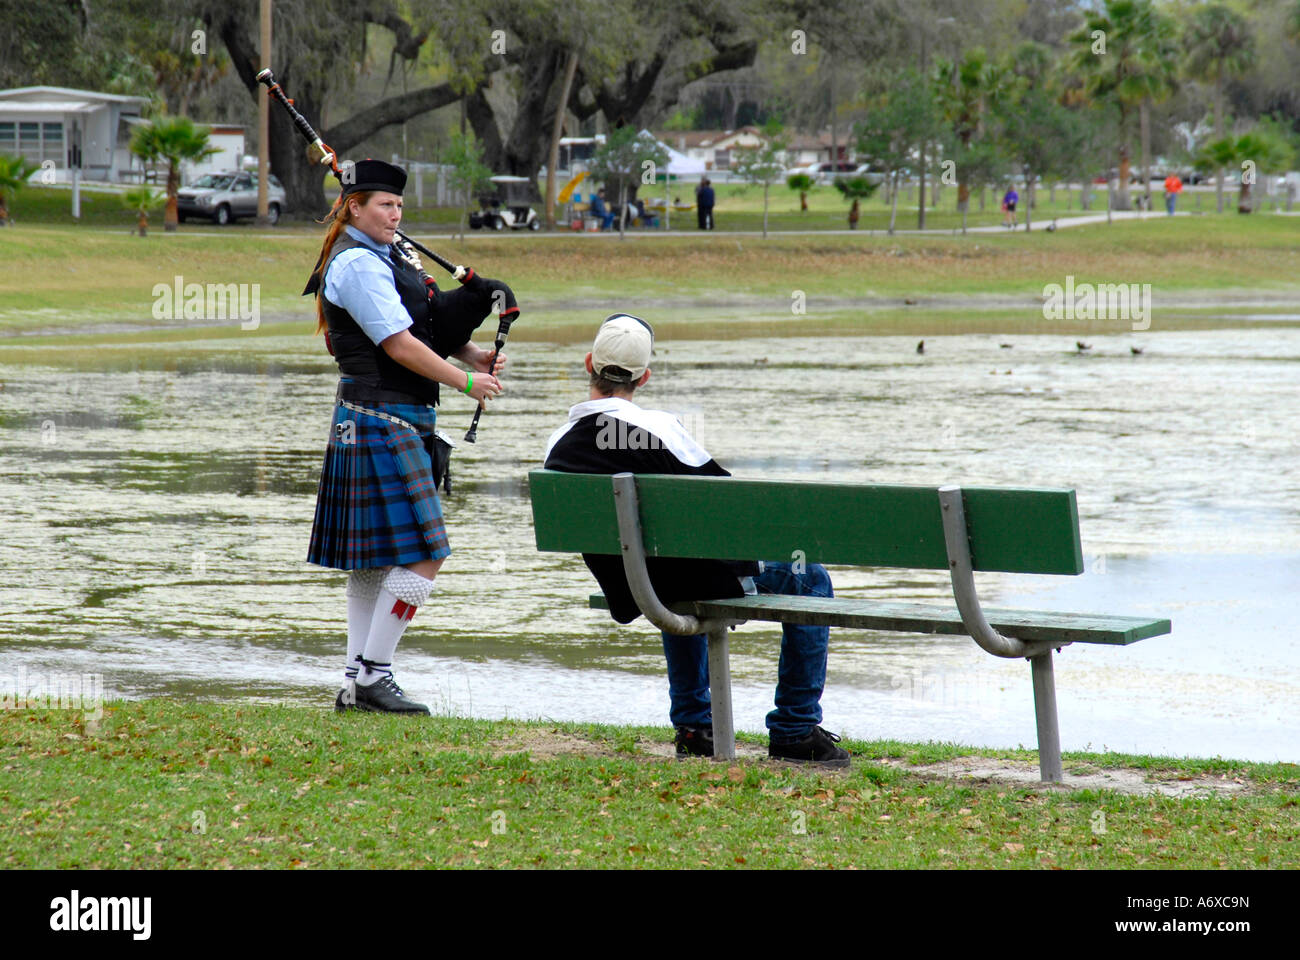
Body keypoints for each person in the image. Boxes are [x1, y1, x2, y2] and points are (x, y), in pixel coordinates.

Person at [542, 315, 850, 766]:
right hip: (687, 579)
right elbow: (727, 508)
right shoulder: (662, 428)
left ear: (588, 363)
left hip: (635, 586)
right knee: (811, 579)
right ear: (644, 377)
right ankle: (795, 730)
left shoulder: (557, 443)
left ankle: (693, 727)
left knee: (673, 573)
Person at [303, 159, 506, 715]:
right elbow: (396, 344)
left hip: (387, 417)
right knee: (425, 552)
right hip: (378, 416)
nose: (395, 215)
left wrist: (471, 352)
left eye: (398, 207)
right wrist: (468, 381)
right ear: (353, 207)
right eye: (384, 206)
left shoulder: (385, 256)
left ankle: (354, 680)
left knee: (375, 560)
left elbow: (421, 329)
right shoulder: (359, 266)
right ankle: (373, 673)